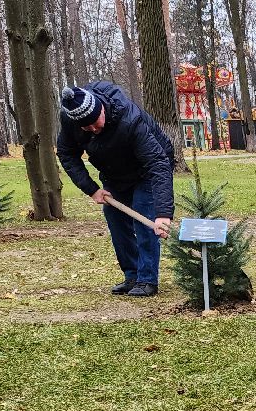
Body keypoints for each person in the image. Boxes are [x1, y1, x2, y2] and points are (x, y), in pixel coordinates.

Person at [56, 82, 175, 297]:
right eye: (86, 127)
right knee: (114, 217)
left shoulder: (130, 119)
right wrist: (92, 189)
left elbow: (157, 163)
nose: (93, 129)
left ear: (101, 108)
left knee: (143, 217)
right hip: (114, 172)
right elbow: (67, 154)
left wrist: (163, 214)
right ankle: (132, 275)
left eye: (95, 122)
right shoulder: (70, 119)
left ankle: (147, 280)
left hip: (147, 170)